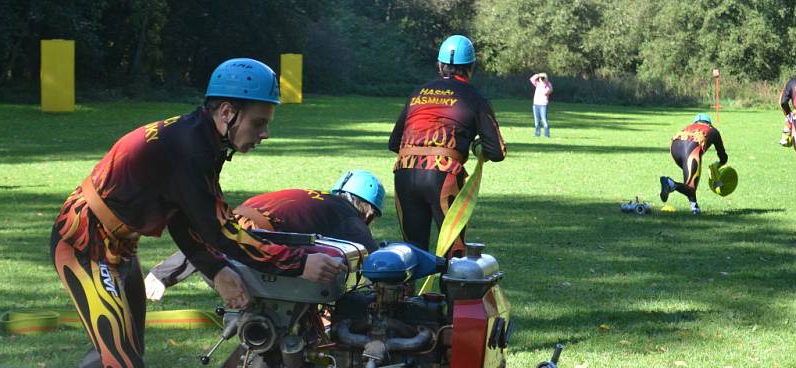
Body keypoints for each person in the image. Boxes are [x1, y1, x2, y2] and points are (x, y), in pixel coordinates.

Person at [47, 57, 344, 368]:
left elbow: (185, 218)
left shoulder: (198, 140)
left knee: (124, 363)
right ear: (227, 112)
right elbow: (219, 229)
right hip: (84, 243)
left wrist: (216, 270)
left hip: (116, 245)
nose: (264, 133)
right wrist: (295, 262)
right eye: (259, 122)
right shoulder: (188, 147)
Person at [143, 170, 385, 299]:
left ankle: (160, 275)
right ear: (369, 212)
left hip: (228, 230)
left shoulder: (320, 201)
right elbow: (377, 264)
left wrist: (164, 272)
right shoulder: (347, 214)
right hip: (250, 243)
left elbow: (227, 229)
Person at [388, 34, 506, 258]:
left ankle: (405, 294)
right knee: (454, 253)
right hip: (443, 175)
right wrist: (474, 145)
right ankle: (452, 294)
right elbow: (496, 152)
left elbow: (394, 143)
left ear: (439, 65)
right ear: (470, 67)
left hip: (404, 173)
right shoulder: (475, 97)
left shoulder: (418, 93)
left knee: (412, 253)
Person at [659, 113, 728, 215]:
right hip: (691, 149)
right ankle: (671, 184)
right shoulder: (713, 130)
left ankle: (694, 207)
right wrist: (719, 165)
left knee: (690, 183)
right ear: (709, 123)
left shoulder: (689, 127)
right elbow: (722, 155)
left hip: (674, 148)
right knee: (691, 188)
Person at [529, 72, 552, 137]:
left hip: (543, 104)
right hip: (536, 104)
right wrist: (538, 75)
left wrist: (545, 83)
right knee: (536, 120)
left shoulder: (548, 84)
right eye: (541, 78)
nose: (541, 79)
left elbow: (547, 92)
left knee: (544, 119)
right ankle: (537, 133)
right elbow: (531, 79)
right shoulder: (538, 84)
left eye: (543, 78)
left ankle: (547, 134)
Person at [778, 76, 796, 146]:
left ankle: (785, 135)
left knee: (790, 117)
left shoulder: (791, 82)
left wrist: (788, 114)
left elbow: (783, 102)